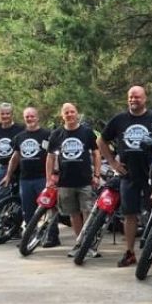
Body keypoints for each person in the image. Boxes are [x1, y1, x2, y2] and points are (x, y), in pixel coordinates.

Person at [98, 86, 152, 267]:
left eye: (137, 97)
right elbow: (101, 140)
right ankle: (129, 253)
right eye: (131, 97)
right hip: (128, 175)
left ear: (145, 99)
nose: (133, 100)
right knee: (129, 215)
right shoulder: (119, 120)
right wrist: (113, 163)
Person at [1, 107, 61, 246]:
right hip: (25, 179)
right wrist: (8, 175)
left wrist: (55, 174)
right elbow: (15, 158)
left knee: (50, 208)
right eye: (27, 117)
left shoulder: (48, 134)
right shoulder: (19, 137)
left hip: (43, 178)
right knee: (28, 211)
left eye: (32, 116)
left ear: (37, 117)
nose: (30, 119)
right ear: (24, 119)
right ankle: (29, 238)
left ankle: (52, 237)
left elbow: (55, 155)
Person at [45, 103, 101, 251]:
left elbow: (96, 154)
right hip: (65, 182)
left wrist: (96, 175)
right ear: (62, 115)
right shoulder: (56, 134)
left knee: (87, 212)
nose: (69, 115)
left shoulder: (87, 132)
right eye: (66, 112)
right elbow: (50, 157)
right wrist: (49, 178)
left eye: (72, 112)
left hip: (85, 180)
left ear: (77, 113)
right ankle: (79, 243)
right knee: (73, 214)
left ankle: (88, 243)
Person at [0, 102, 23, 202]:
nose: (5, 116)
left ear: (12, 114)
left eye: (7, 114)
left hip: (19, 166)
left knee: (20, 194)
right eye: (2, 114)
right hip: (3, 165)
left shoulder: (20, 128)